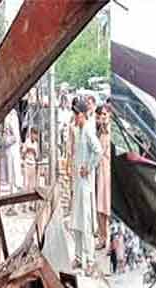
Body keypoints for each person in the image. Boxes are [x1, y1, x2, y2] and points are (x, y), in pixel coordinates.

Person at [70, 97, 103, 274]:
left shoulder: (88, 130)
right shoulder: (79, 131)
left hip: (85, 185)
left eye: (76, 114)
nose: (75, 117)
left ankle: (90, 261)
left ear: (82, 114)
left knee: (86, 223)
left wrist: (88, 168)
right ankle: (78, 257)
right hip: (77, 183)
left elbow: (98, 151)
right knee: (76, 222)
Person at [95, 105, 111, 249]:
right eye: (101, 115)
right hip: (100, 171)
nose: (103, 117)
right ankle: (102, 238)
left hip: (108, 172)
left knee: (106, 207)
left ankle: (107, 239)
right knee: (100, 207)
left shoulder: (110, 132)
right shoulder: (99, 131)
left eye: (105, 114)